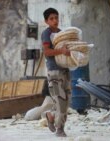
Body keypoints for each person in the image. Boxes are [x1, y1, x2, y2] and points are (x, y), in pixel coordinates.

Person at [41, 7, 70, 137]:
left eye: (56, 18)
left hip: (65, 70)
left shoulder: (61, 33)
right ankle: (60, 128)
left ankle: (51, 115)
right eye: (51, 19)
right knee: (60, 100)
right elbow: (47, 52)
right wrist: (61, 51)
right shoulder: (46, 34)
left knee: (66, 100)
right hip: (54, 72)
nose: (55, 20)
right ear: (46, 21)